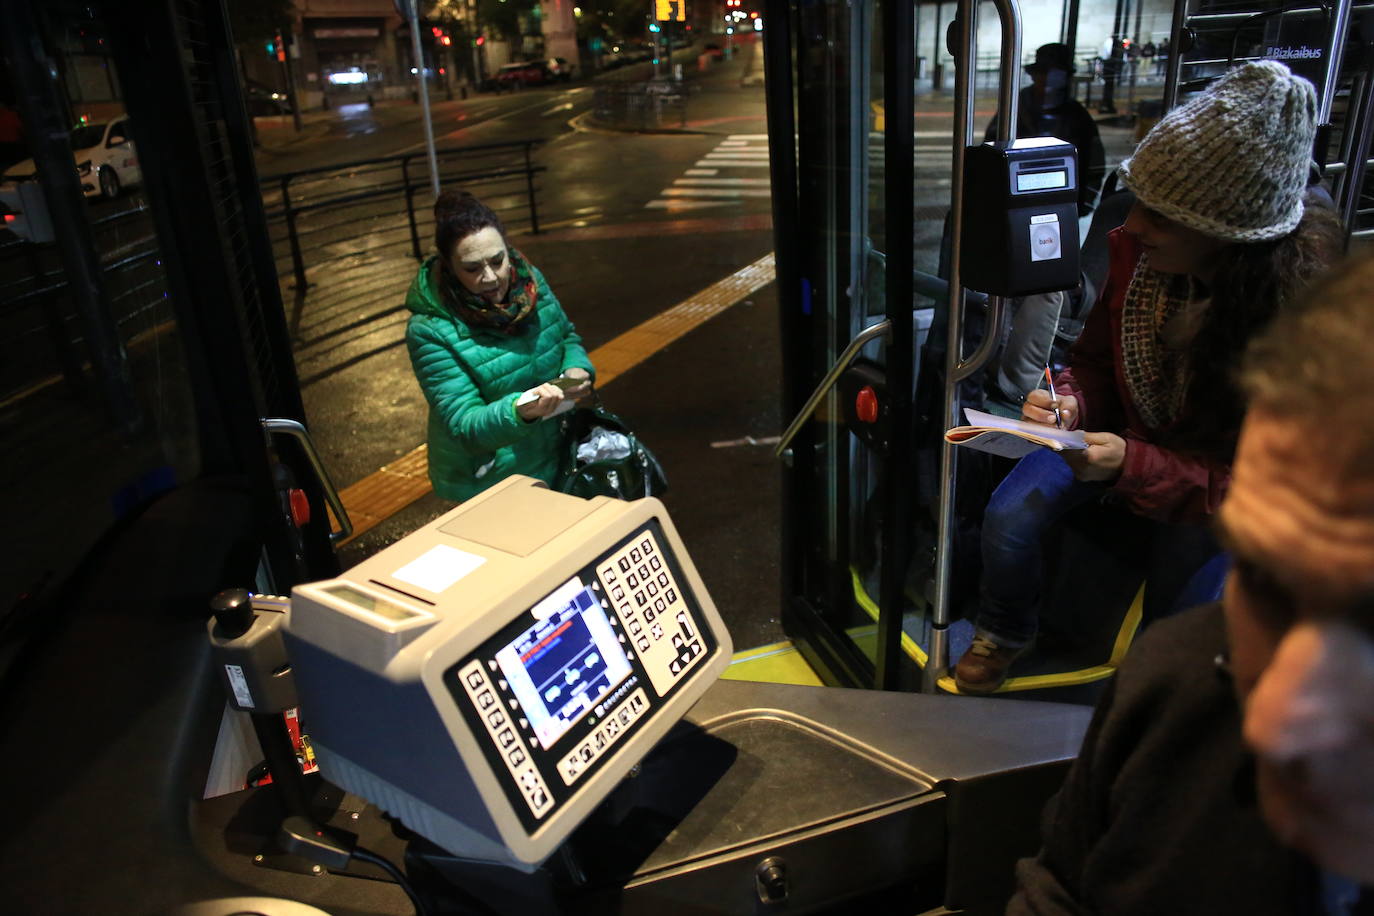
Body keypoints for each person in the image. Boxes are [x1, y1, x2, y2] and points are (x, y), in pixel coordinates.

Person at [954, 61, 1344, 694]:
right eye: (1139, 204)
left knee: (1179, 629)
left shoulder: (1305, 335)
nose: (1131, 226)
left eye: (1160, 217)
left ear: (1229, 238)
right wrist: (1074, 402)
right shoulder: (1141, 252)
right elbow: (1098, 360)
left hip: (1213, 485)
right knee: (1007, 519)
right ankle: (1005, 630)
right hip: (1122, 438)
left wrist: (1132, 466)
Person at [1006, 253, 1374, 915]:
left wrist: (1140, 464)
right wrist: (1076, 401)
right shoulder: (1176, 678)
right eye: (1261, 579)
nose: (1271, 717)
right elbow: (1058, 886)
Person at [405, 190, 595, 502]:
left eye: (498, 260)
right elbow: (464, 426)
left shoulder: (530, 284)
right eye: (472, 268)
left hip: (556, 453)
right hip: (490, 480)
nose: (491, 277)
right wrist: (521, 410)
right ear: (449, 266)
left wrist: (576, 368)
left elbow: (566, 338)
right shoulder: (429, 329)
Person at [982, 42, 1108, 417]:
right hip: (1013, 218)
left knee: (1047, 291)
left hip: (1051, 219)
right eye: (1041, 73)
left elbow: (1092, 170)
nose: (1046, 80)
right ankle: (1007, 374)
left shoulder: (1075, 117)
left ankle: (1018, 383)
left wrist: (1074, 210)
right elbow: (989, 157)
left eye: (1053, 74)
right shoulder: (1016, 108)